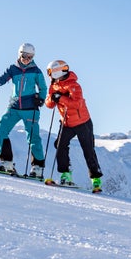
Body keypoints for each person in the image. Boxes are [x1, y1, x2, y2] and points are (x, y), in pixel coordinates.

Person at [0, 42, 48, 178]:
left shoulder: (36, 70)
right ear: (20, 54)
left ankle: (37, 168)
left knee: (33, 137)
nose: (27, 59)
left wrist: (41, 99)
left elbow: (43, 87)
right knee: (1, 128)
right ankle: (7, 162)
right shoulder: (13, 69)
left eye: (30, 56)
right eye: (25, 56)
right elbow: (2, 79)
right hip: (14, 107)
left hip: (30, 108)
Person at [44, 59, 103, 192]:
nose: (49, 75)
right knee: (60, 145)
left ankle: (96, 179)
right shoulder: (53, 86)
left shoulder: (74, 85)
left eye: (50, 72)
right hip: (66, 123)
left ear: (56, 72)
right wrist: (52, 98)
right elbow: (49, 105)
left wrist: (61, 98)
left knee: (88, 148)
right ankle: (66, 174)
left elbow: (77, 104)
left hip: (82, 122)